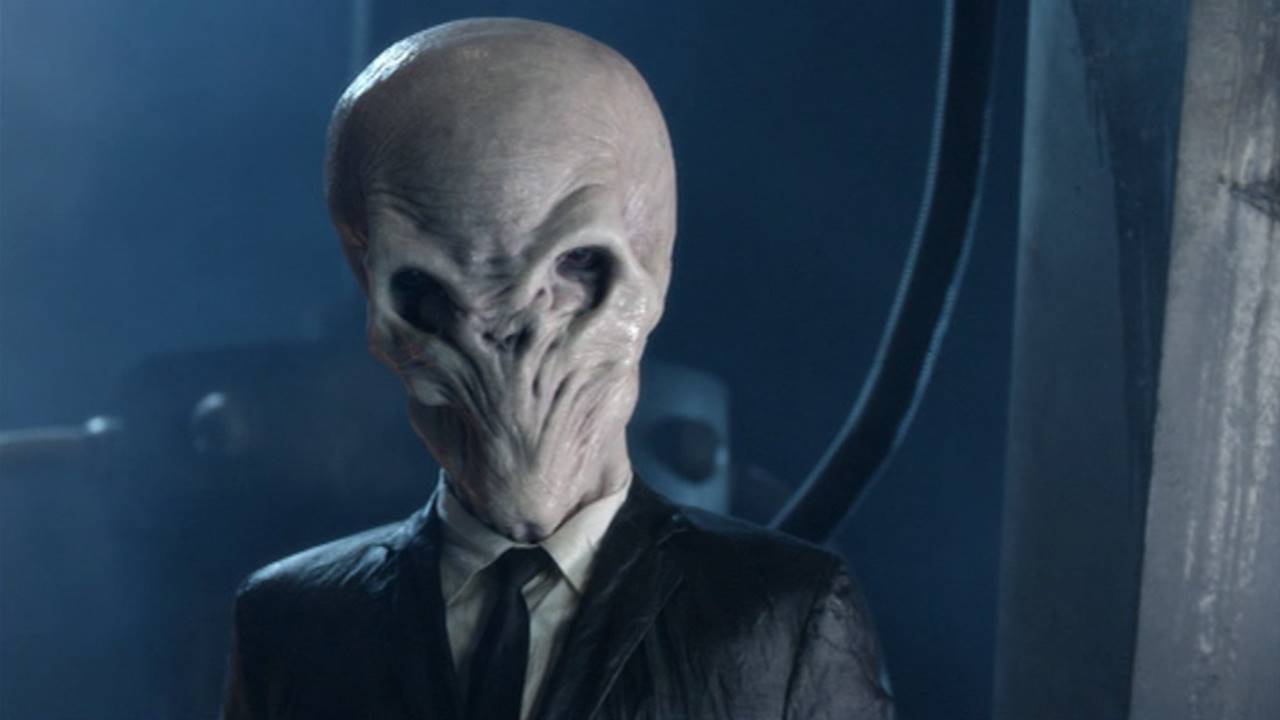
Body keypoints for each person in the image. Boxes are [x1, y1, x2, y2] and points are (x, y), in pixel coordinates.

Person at [220, 18, 892, 720]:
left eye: (576, 264)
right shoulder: (289, 619)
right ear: (377, 294)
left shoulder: (786, 611)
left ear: (648, 273)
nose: (504, 336)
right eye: (428, 290)